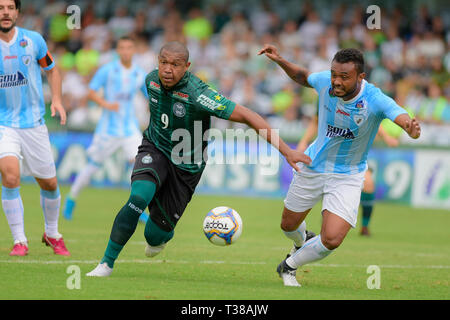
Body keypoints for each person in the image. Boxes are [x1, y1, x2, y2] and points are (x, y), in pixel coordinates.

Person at [86, 41, 312, 277]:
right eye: (163, 62)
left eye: (175, 64)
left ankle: (162, 234)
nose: (167, 69)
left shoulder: (198, 93)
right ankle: (106, 264)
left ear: (187, 66)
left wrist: (287, 150)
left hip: (186, 167)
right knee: (138, 196)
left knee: (154, 236)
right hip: (155, 148)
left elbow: (247, 115)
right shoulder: (150, 80)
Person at [258, 44, 421, 287]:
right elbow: (302, 76)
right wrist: (279, 59)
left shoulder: (374, 98)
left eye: (344, 77)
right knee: (287, 225)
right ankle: (302, 240)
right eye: (334, 74)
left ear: (360, 77)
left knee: (332, 238)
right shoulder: (325, 81)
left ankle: (289, 266)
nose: (336, 81)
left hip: (348, 175)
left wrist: (409, 126)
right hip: (313, 165)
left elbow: (397, 114)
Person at [0, 0, 69, 256]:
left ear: (17, 12)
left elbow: (51, 70)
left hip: (34, 124)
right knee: (10, 176)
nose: (5, 12)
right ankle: (20, 241)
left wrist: (58, 100)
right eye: (0, 8)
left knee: (50, 184)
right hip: (4, 124)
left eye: (9, 7)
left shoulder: (34, 40)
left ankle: (52, 234)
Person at [63, 36, 149, 223]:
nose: (126, 51)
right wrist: (106, 104)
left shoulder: (139, 73)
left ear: (133, 50)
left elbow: (148, 96)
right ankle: (71, 198)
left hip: (129, 128)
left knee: (138, 166)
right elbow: (91, 91)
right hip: (108, 130)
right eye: (122, 48)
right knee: (93, 166)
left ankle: (137, 207)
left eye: (129, 48)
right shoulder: (108, 70)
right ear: (118, 50)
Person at [297, 115, 399, 237]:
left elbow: (372, 118)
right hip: (332, 154)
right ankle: (327, 222)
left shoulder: (360, 103)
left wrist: (386, 137)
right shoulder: (329, 103)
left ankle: (365, 227)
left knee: (368, 184)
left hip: (355, 155)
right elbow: (316, 120)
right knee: (330, 184)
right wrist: (304, 141)